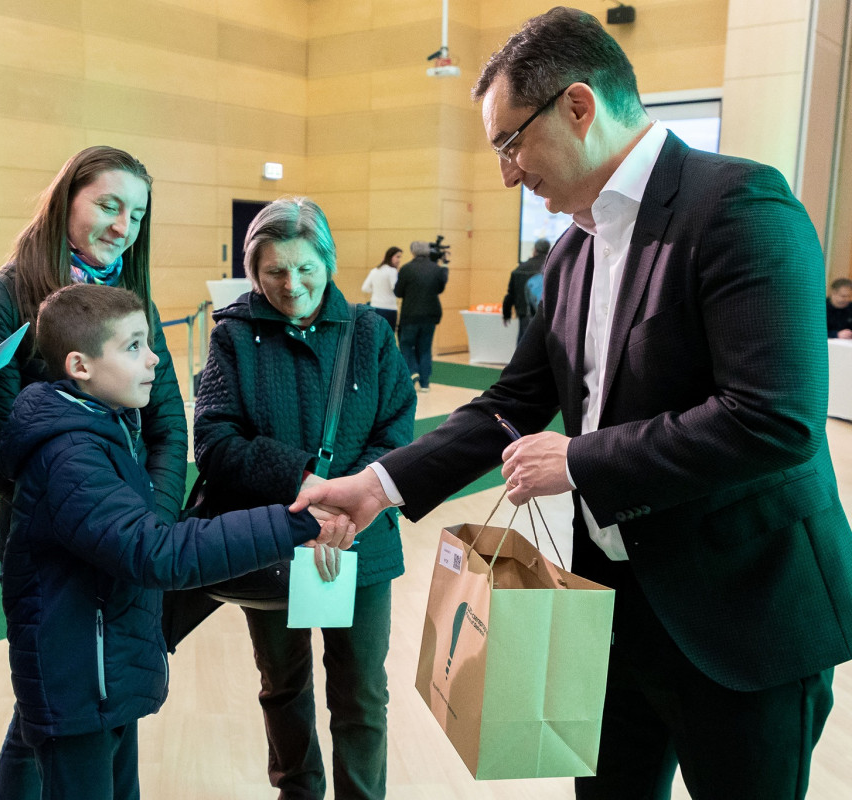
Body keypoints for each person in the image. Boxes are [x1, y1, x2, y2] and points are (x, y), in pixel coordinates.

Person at [294, 8, 852, 800]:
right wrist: (379, 487)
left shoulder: (739, 206)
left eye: (509, 140)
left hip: (741, 615)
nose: (506, 172)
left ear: (578, 106)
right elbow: (513, 403)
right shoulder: (575, 247)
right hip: (612, 608)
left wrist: (580, 458)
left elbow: (774, 419)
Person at [0, 283, 354, 800]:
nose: (154, 358)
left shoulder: (104, 428)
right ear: (80, 366)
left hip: (105, 675)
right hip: (80, 686)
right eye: (133, 346)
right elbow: (155, 552)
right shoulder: (70, 457)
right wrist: (296, 521)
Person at [0, 144, 188, 798]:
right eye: (109, 204)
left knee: (105, 708)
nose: (122, 225)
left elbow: (169, 424)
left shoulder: (126, 299)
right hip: (54, 547)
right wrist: (103, 517)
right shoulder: (1, 300)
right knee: (50, 712)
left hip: (129, 543)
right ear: (68, 200)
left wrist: (150, 522)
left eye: (136, 214)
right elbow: (3, 450)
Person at [194, 197, 416, 799]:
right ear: (253, 271)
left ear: (330, 262)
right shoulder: (234, 337)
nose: (291, 285)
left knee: (362, 692)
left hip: (359, 541)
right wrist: (306, 489)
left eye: (305, 268)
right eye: (274, 272)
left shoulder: (370, 334)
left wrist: (348, 504)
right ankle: (297, 791)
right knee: (282, 685)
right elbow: (214, 440)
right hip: (271, 535)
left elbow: (396, 431)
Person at [394, 240, 448, 393]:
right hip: (430, 315)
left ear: (413, 252)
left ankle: (412, 371)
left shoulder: (406, 269)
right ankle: (425, 383)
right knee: (425, 348)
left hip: (410, 314)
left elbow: (398, 292)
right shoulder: (436, 269)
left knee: (405, 345)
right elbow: (440, 288)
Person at [502, 237, 550, 339]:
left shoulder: (519, 269)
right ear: (548, 250)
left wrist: (506, 314)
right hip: (548, 317)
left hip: (525, 317)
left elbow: (510, 295)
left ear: (535, 250)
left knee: (524, 348)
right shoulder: (551, 268)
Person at [361, 245, 402, 329]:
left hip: (375, 307)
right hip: (389, 309)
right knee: (388, 338)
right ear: (390, 256)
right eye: (397, 257)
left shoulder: (375, 270)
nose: (399, 260)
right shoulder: (392, 271)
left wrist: (377, 290)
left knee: (376, 336)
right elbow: (395, 288)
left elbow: (365, 288)